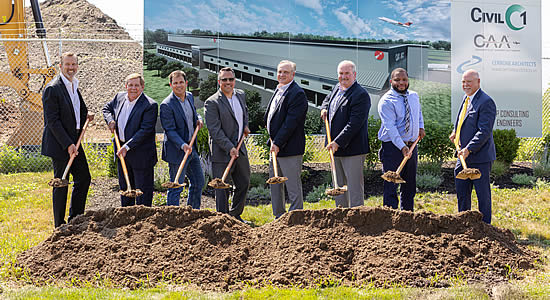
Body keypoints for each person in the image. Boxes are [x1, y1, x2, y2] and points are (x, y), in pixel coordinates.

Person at [41, 52, 93, 228]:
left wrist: (87, 115)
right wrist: (68, 144)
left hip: (74, 142)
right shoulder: (52, 88)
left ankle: (76, 218)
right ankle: (59, 225)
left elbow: (77, 109)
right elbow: (52, 121)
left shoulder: (73, 85)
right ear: (60, 66)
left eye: (74, 64)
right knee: (61, 183)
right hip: (60, 143)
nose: (71, 68)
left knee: (84, 177)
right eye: (67, 64)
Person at [320, 60, 371, 208]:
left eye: (347, 73)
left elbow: (354, 124)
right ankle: (341, 216)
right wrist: (324, 108)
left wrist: (338, 142)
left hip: (353, 148)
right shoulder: (337, 87)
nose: (344, 76)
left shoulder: (360, 95)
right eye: (341, 73)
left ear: (354, 74)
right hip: (335, 146)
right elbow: (327, 100)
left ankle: (356, 217)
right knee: (338, 184)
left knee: (353, 187)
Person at [103, 73, 158, 207]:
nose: (133, 88)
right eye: (130, 85)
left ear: (142, 87)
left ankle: (143, 223)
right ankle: (126, 220)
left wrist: (127, 147)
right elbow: (107, 109)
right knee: (125, 190)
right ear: (126, 86)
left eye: (137, 85)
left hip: (141, 155)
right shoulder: (119, 97)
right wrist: (110, 121)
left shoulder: (150, 105)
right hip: (122, 153)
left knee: (142, 194)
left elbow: (145, 130)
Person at [449, 69, 496, 224]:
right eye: (463, 81)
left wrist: (468, 149)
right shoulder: (467, 98)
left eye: (469, 81)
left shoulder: (485, 102)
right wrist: (456, 131)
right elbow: (464, 120)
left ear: (478, 82)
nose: (465, 84)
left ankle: (486, 227)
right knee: (462, 192)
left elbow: (484, 131)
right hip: (463, 157)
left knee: (482, 195)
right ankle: (464, 224)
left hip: (479, 158)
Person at [204, 67, 251, 223]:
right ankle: (223, 220)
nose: (228, 82)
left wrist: (245, 126)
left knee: (244, 182)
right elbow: (214, 130)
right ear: (219, 82)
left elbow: (245, 113)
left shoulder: (241, 95)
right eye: (224, 79)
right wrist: (229, 147)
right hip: (222, 152)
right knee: (222, 189)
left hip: (240, 149)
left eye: (230, 79)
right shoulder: (212, 102)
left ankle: (236, 216)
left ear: (234, 80)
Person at [264, 60, 308, 218]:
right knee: (275, 186)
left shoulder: (297, 94)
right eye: (280, 71)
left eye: (286, 72)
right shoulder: (278, 90)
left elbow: (291, 123)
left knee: (293, 187)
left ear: (293, 74)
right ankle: (278, 218)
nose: (282, 75)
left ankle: (296, 219)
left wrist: (278, 142)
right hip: (275, 147)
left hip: (289, 148)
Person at [378, 68, 426, 211]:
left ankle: (407, 216)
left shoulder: (414, 96)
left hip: (411, 146)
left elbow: (418, 113)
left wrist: (421, 127)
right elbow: (390, 128)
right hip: (392, 148)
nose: (401, 83)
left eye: (404, 79)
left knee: (409, 185)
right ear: (391, 81)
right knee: (391, 185)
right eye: (397, 80)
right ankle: (390, 218)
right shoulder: (386, 101)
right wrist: (402, 147)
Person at [160, 70, 204, 209]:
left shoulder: (190, 97)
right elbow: (170, 130)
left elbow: (194, 114)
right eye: (175, 83)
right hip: (178, 152)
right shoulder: (167, 105)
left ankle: (193, 213)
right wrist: (183, 145)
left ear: (186, 83)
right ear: (171, 85)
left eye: (181, 82)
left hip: (192, 150)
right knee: (176, 186)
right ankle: (172, 217)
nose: (179, 85)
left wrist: (198, 119)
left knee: (198, 182)